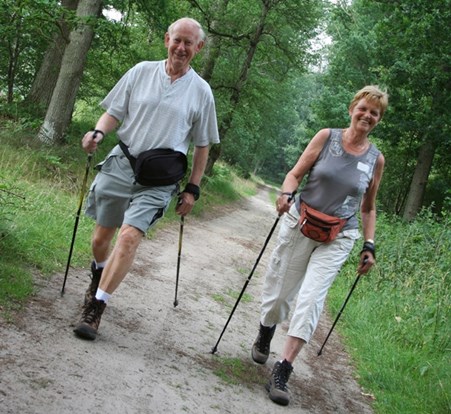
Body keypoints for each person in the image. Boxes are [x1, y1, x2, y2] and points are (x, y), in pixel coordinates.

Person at [73, 17, 219, 340]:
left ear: (199, 48)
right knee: (100, 240)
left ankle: (96, 307)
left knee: (128, 238)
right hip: (123, 163)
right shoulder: (141, 72)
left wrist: (193, 188)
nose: (181, 48)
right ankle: (97, 276)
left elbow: (202, 144)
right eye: (177, 40)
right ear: (167, 39)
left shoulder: (201, 92)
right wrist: (98, 131)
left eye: (188, 43)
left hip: (160, 178)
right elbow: (113, 112)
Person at [251, 85, 388, 406]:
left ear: (378, 120)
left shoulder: (376, 159)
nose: (367, 115)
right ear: (352, 109)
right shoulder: (326, 137)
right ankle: (266, 330)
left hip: (340, 235)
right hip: (301, 222)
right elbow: (294, 174)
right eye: (363, 108)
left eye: (375, 113)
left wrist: (369, 244)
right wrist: (285, 195)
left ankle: (283, 368)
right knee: (279, 292)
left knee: (311, 299)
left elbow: (368, 207)